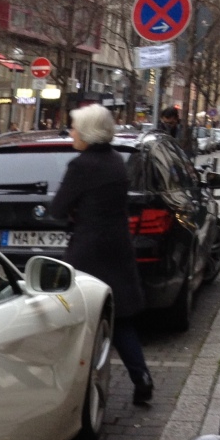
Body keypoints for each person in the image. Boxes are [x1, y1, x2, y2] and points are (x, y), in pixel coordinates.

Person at [50, 104, 154, 406]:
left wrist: (72, 211)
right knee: (120, 319)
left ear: (86, 133)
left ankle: (78, 389)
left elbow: (58, 209)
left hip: (88, 252)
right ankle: (142, 377)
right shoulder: (116, 162)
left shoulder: (81, 166)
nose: (71, 133)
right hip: (117, 247)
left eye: (74, 128)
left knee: (81, 316)